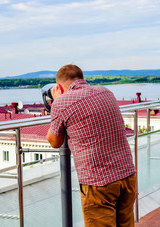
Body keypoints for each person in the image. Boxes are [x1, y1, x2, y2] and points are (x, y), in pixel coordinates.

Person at [47, 64, 136, 227]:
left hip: (98, 183)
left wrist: (56, 102)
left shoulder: (61, 103)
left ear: (58, 87)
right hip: (127, 175)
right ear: (81, 78)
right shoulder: (105, 91)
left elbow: (54, 141)